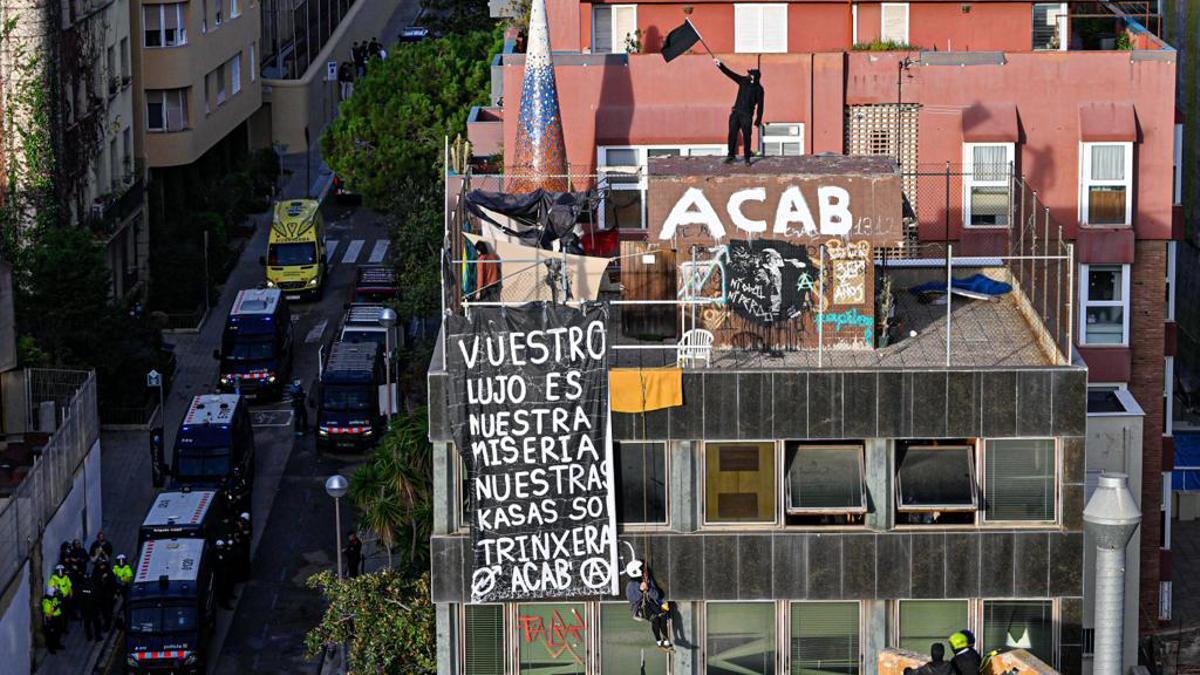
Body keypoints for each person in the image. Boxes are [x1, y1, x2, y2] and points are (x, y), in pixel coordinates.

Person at [712, 58, 764, 165]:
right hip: (736, 113)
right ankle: (731, 156)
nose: (747, 75)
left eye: (750, 74)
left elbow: (761, 106)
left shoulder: (759, 89)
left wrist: (758, 120)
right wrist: (720, 65)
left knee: (746, 136)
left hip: (747, 115)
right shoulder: (743, 81)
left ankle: (747, 158)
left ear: (754, 77)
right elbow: (730, 74)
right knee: (732, 134)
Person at [624, 560, 671, 649]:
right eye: (641, 569)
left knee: (663, 616)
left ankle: (666, 640)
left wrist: (648, 589)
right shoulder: (631, 585)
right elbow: (633, 599)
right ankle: (658, 641)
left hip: (651, 603)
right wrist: (641, 590)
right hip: (641, 607)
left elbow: (656, 595)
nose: (644, 572)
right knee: (655, 619)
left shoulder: (648, 581)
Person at [77, 575, 103, 642]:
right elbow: (98, 599)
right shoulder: (94, 588)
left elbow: (79, 599)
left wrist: (81, 609)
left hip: (85, 609)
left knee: (87, 624)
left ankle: (89, 637)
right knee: (96, 624)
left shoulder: (81, 588)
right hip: (93, 609)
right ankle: (98, 637)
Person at [92, 561, 116, 631]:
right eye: (100, 565)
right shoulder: (96, 573)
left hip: (108, 595)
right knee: (104, 612)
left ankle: (108, 625)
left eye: (103, 565)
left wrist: (114, 593)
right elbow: (94, 582)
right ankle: (107, 623)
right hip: (100, 596)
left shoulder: (109, 572)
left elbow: (112, 583)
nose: (102, 567)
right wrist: (101, 578)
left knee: (108, 611)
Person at [213, 540, 234, 609]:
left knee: (228, 585)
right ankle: (223, 603)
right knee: (222, 589)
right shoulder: (215, 554)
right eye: (219, 546)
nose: (221, 547)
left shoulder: (223, 551)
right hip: (220, 574)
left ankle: (229, 595)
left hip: (226, 572)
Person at [42, 588, 63, 654]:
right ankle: (51, 648)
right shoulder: (46, 602)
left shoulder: (53, 598)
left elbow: (57, 602)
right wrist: (55, 606)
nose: (55, 594)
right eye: (54, 592)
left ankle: (57, 644)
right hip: (51, 620)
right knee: (51, 635)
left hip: (57, 617)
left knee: (57, 632)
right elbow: (49, 612)